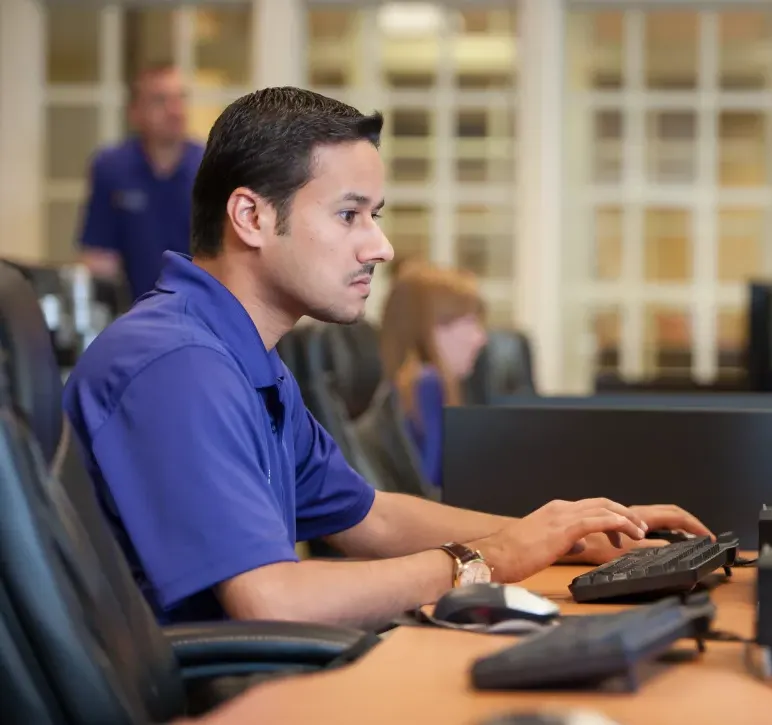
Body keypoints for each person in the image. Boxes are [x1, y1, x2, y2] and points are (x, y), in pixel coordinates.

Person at [62, 87, 712, 629]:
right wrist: (497, 555)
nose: (382, 246)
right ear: (251, 217)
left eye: (375, 215)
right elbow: (271, 600)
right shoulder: (177, 365)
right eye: (351, 216)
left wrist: (559, 533)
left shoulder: (243, 357)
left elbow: (368, 517)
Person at [77, 64, 204, 300]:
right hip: (133, 314)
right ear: (135, 112)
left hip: (199, 313)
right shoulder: (111, 167)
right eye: (160, 100)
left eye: (180, 98)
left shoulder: (210, 167)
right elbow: (99, 258)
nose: (175, 110)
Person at [379, 264, 488, 488]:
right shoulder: (428, 384)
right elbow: (433, 490)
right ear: (428, 327)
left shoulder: (403, 386)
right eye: (468, 322)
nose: (479, 338)